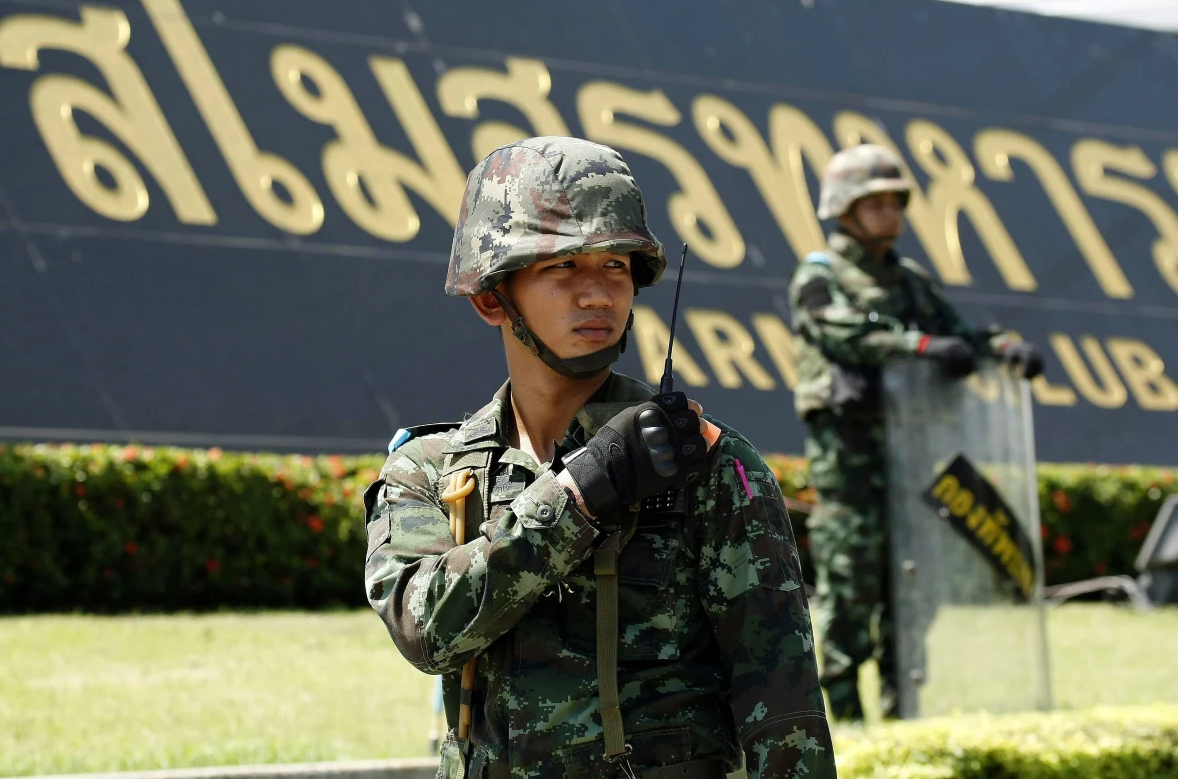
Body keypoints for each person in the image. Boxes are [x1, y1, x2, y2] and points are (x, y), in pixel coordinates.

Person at [365, 137, 835, 778]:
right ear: (490, 298)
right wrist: (582, 492)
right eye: (562, 268)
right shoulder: (433, 471)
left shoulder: (711, 467)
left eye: (616, 266)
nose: (598, 294)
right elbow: (426, 632)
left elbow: (785, 714)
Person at [788, 143, 1045, 723]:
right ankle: (848, 726)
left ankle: (903, 717)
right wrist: (920, 347)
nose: (891, 215)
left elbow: (959, 333)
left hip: (912, 458)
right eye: (875, 203)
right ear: (844, 209)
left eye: (895, 202)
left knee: (910, 596)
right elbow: (841, 335)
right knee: (850, 592)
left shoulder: (910, 281)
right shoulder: (820, 276)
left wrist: (1005, 349)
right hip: (850, 467)